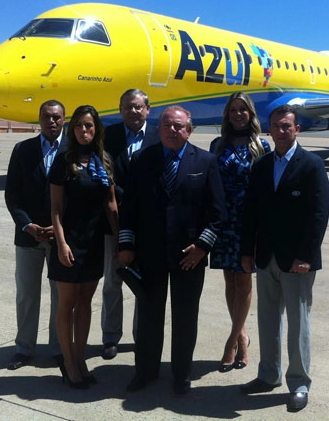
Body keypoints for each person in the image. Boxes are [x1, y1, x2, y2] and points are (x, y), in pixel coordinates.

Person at [117, 105, 225, 395]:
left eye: (179, 126)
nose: (173, 130)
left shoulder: (205, 161)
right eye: (167, 125)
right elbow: (129, 208)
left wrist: (202, 247)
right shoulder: (141, 160)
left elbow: (217, 213)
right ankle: (146, 371)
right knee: (149, 316)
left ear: (189, 130)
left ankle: (181, 374)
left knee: (185, 318)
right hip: (149, 254)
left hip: (189, 256)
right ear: (159, 128)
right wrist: (126, 245)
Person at [239, 104, 329, 413]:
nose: (281, 131)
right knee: (267, 319)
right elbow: (250, 212)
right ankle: (268, 375)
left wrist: (305, 256)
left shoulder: (312, 165)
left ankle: (299, 383)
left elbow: (318, 215)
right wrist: (246, 251)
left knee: (298, 323)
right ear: (269, 129)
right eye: (276, 126)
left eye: (286, 126)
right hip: (266, 257)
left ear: (297, 129)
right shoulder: (262, 165)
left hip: (297, 260)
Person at [48, 105, 119, 388]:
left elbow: (111, 203)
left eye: (89, 126)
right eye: (79, 126)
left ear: (96, 129)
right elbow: (55, 208)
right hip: (69, 242)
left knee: (86, 303)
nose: (84, 131)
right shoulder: (64, 162)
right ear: (72, 129)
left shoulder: (104, 161)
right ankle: (68, 362)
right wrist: (61, 243)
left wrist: (118, 238)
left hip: (93, 243)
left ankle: (80, 358)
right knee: (67, 304)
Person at [209, 92, 270, 372]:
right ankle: (243, 333)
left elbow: (267, 191)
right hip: (224, 222)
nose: (237, 114)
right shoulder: (217, 145)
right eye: (232, 110)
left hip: (249, 224)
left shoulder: (261, 146)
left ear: (251, 114)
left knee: (244, 283)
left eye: (242, 110)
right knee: (230, 282)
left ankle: (233, 342)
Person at [4, 100, 66, 371]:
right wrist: (27, 225)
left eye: (57, 117)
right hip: (29, 238)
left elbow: (80, 196)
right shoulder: (23, 150)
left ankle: (59, 347)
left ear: (64, 120)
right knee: (27, 295)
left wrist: (62, 228)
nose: (51, 122)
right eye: (46, 117)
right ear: (38, 120)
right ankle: (24, 348)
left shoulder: (74, 151)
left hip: (60, 239)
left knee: (60, 297)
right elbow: (12, 194)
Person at [99, 89, 159, 360]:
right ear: (120, 109)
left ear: (148, 109)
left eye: (138, 107)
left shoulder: (160, 135)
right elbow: (101, 175)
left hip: (148, 224)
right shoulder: (108, 137)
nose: (133, 112)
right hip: (115, 220)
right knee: (113, 281)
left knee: (143, 284)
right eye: (127, 107)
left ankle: (141, 335)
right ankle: (111, 337)